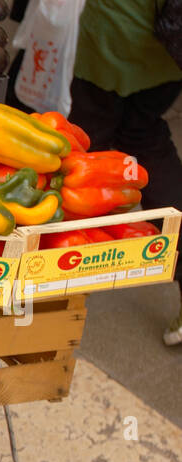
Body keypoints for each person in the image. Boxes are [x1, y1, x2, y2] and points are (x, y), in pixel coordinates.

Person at [65, 0, 182, 344]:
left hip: (114, 37)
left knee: (82, 150)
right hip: (169, 45)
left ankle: (56, 279)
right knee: (144, 135)